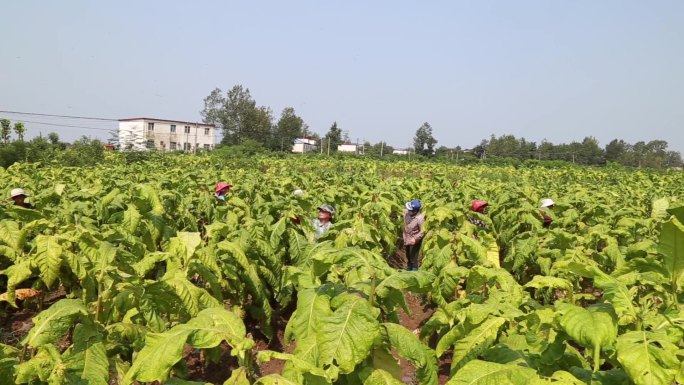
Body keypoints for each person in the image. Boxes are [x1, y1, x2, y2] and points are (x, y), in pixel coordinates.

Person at [403, 200, 425, 271]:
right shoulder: (407, 213)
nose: (408, 211)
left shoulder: (420, 219)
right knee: (408, 255)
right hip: (407, 238)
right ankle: (409, 269)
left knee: (413, 258)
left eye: (410, 210)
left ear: (415, 211)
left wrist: (415, 239)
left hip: (414, 241)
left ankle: (414, 272)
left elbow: (423, 231)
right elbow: (402, 211)